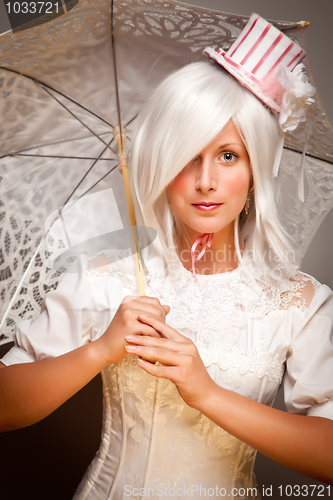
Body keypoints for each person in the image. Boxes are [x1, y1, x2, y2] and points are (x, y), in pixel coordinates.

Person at [0, 14, 333, 500]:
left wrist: (207, 394)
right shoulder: (105, 279)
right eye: (187, 155)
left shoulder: (300, 301)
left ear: (255, 169)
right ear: (161, 164)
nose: (205, 181)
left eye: (227, 156)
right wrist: (99, 350)